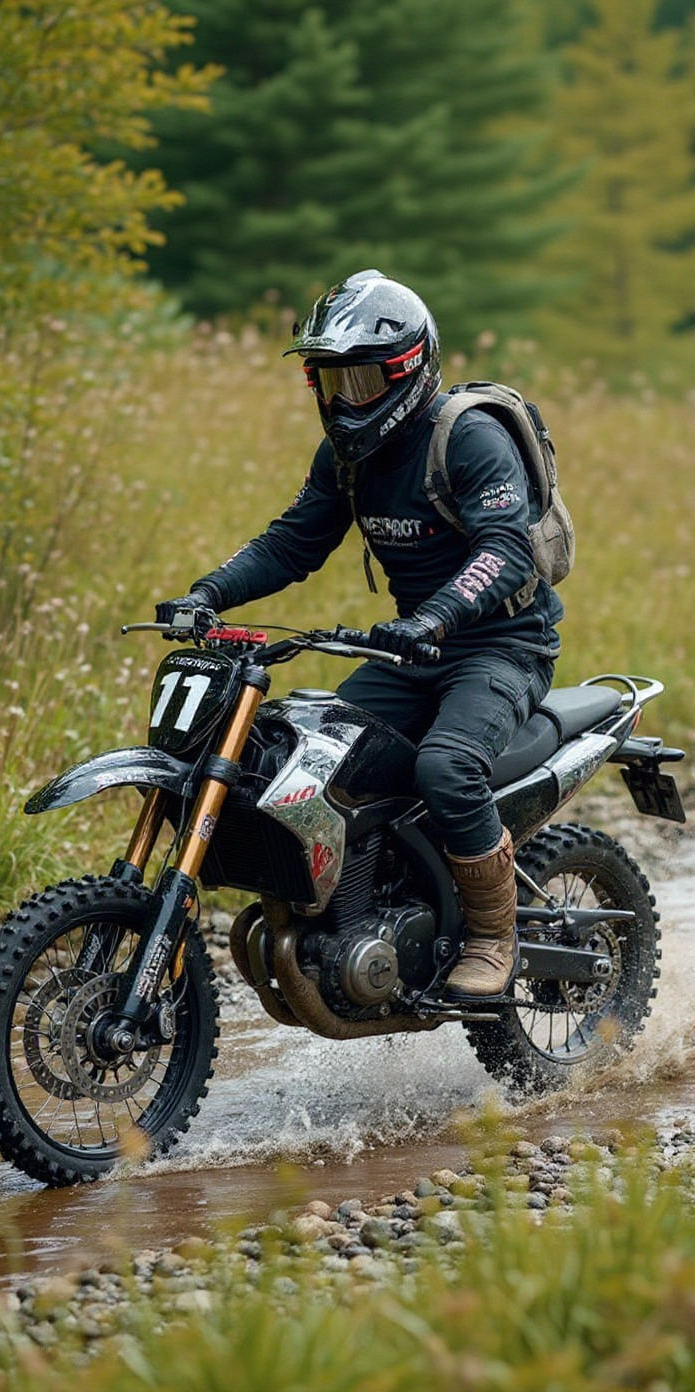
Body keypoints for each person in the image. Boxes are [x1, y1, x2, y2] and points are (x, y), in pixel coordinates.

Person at [155, 269, 563, 999]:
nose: (349, 400)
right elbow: (291, 544)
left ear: (411, 370)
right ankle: (361, 911)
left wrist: (432, 618)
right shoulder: (346, 456)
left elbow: (506, 548)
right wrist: (206, 594)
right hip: (407, 649)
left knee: (445, 770)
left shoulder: (467, 438)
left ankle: (491, 936)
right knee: (314, 762)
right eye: (333, 381)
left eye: (366, 379)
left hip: (502, 647)